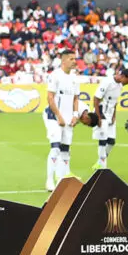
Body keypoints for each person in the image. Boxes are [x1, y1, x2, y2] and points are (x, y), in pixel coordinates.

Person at [44, 50, 80, 192]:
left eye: (74, 58)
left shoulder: (74, 78)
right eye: (71, 58)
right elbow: (50, 97)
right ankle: (49, 181)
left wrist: (75, 115)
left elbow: (76, 98)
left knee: (65, 149)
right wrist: (58, 115)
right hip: (54, 116)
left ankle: (62, 180)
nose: (74, 61)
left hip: (68, 117)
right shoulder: (55, 76)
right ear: (64, 61)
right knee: (55, 147)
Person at [92, 68, 128, 170]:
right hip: (101, 112)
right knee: (102, 139)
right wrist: (98, 117)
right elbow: (96, 98)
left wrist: (114, 116)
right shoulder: (107, 82)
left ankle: (100, 162)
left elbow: (115, 102)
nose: (127, 84)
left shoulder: (120, 86)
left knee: (111, 141)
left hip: (110, 115)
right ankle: (102, 167)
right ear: (124, 77)